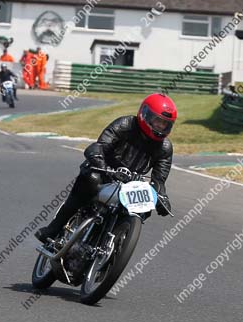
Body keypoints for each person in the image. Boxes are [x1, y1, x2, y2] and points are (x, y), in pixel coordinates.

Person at [34, 94, 176, 243]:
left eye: (165, 123)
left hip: (130, 183)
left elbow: (159, 180)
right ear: (145, 114)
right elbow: (100, 146)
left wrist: (162, 198)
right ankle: (53, 229)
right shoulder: (125, 125)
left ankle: (117, 241)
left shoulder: (165, 148)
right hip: (104, 170)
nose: (161, 126)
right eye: (157, 120)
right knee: (91, 180)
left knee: (146, 206)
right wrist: (102, 166)